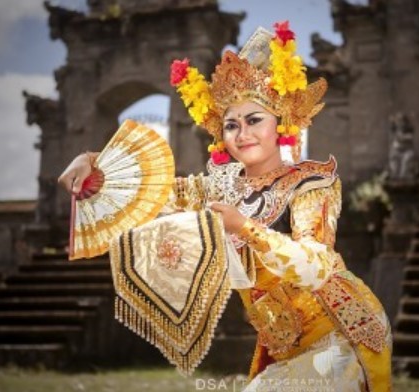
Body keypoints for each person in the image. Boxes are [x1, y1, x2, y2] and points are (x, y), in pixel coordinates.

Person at [59, 21, 392, 392]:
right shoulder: (219, 186)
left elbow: (316, 266)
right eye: (231, 125)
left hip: (342, 332)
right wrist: (90, 162)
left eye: (254, 120)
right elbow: (150, 192)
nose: (242, 134)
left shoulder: (311, 183)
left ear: (280, 123)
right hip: (282, 345)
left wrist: (244, 228)